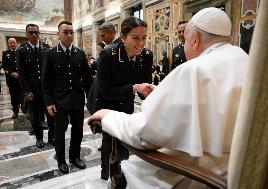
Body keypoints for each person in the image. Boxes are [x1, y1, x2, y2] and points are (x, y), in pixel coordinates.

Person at [88, 7, 249, 188]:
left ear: (195, 40)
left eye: (185, 39)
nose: (141, 43)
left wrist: (108, 116)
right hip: (240, 166)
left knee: (132, 169)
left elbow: (145, 134)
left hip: (206, 174)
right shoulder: (245, 59)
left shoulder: (194, 68)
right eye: (136, 38)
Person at [94, 16, 153, 180]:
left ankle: (123, 173)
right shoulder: (107, 55)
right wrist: (134, 88)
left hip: (126, 104)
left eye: (144, 38)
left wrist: (150, 90)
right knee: (110, 140)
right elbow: (106, 91)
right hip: (106, 103)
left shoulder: (146, 55)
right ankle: (107, 175)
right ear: (122, 37)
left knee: (125, 138)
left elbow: (143, 86)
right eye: (135, 38)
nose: (141, 43)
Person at [42, 21, 92, 174]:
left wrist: (90, 99)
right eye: (66, 32)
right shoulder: (50, 54)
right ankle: (62, 161)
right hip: (59, 101)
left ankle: (75, 157)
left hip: (77, 101)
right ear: (58, 34)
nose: (69, 35)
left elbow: (87, 79)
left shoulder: (79, 53)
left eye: (71, 32)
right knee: (59, 133)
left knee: (78, 131)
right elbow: (46, 81)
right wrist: (49, 102)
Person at [17, 24, 55, 148]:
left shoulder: (46, 48)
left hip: (47, 90)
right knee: (34, 117)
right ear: (26, 34)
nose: (34, 34)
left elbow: (50, 69)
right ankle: (39, 138)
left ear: (39, 33)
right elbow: (21, 73)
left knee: (51, 115)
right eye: (31, 32)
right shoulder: (21, 50)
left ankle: (51, 136)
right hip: (32, 90)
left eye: (36, 32)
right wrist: (26, 91)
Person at [2, 38, 22, 118]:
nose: (12, 44)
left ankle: (25, 109)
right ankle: (15, 111)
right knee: (13, 96)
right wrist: (12, 73)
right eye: (10, 43)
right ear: (8, 44)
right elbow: (4, 66)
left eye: (14, 42)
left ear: (16, 43)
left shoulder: (21, 52)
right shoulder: (5, 53)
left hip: (21, 78)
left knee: (23, 95)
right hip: (11, 79)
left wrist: (20, 73)